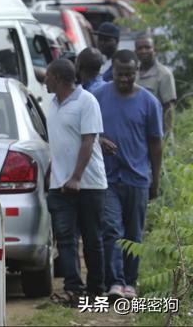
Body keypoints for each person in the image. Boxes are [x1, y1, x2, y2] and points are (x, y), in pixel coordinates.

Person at [92, 50, 162, 300]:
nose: (125, 79)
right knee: (111, 229)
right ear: (113, 71)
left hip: (138, 178)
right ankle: (115, 282)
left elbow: (156, 144)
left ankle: (130, 282)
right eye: (121, 74)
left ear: (137, 72)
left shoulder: (149, 103)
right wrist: (98, 141)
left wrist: (156, 178)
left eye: (130, 75)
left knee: (134, 234)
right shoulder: (98, 97)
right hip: (107, 178)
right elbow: (86, 132)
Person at [45, 59, 107, 305]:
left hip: (88, 183)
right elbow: (60, 142)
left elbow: (88, 140)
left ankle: (96, 290)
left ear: (58, 78)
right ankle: (73, 289)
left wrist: (76, 178)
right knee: (66, 238)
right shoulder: (52, 104)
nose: (45, 80)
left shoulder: (86, 101)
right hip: (60, 185)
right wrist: (53, 171)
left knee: (92, 239)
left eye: (48, 76)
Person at [135, 35, 176, 142]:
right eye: (140, 48)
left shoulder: (164, 74)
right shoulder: (133, 73)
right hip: (137, 134)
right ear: (135, 51)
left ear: (154, 50)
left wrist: (166, 137)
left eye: (147, 47)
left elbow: (169, 109)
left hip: (156, 135)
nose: (143, 51)